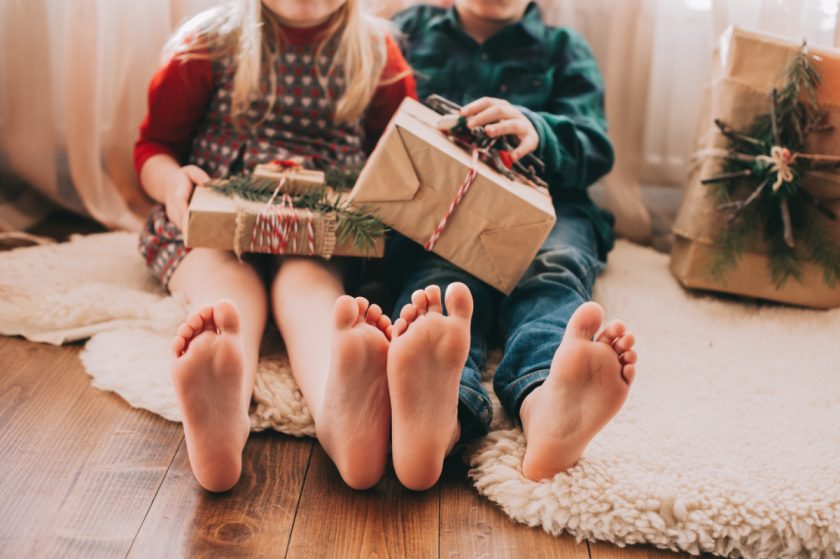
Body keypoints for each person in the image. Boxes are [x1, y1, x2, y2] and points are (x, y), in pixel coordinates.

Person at [135, 0, 416, 492]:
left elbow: (398, 160)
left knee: (309, 291)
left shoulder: (377, 52)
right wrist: (173, 183)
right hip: (217, 219)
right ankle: (224, 408)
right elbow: (153, 147)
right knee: (227, 295)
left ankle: (341, 416)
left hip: (319, 231)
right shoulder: (206, 43)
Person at [383, 0, 638, 490]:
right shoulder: (406, 32)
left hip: (550, 205)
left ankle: (549, 398)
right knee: (441, 284)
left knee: (552, 270)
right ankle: (440, 411)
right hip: (446, 214)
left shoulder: (564, 48)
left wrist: (537, 128)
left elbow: (594, 146)